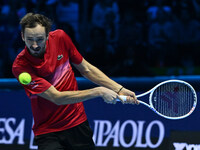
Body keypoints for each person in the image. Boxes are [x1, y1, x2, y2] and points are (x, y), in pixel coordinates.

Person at [12, 13, 139, 150]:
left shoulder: (60, 38)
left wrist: (119, 89)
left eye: (40, 39)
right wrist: (99, 91)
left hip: (77, 123)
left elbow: (86, 69)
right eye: (30, 39)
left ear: (48, 35)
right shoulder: (20, 67)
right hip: (48, 131)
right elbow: (56, 97)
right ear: (23, 37)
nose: (35, 45)